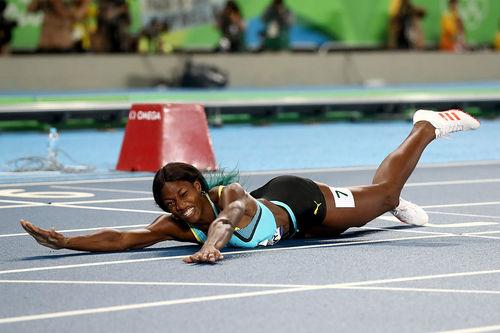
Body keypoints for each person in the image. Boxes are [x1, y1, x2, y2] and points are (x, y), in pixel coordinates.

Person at [20, 109, 480, 263]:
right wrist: (66, 242)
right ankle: (380, 205)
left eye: (182, 195)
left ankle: (426, 126)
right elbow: (123, 237)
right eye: (168, 202)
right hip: (296, 231)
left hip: (300, 201)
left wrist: (212, 247)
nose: (177, 207)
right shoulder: (174, 224)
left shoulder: (230, 196)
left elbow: (228, 220)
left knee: (383, 196)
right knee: (346, 226)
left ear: (199, 186)